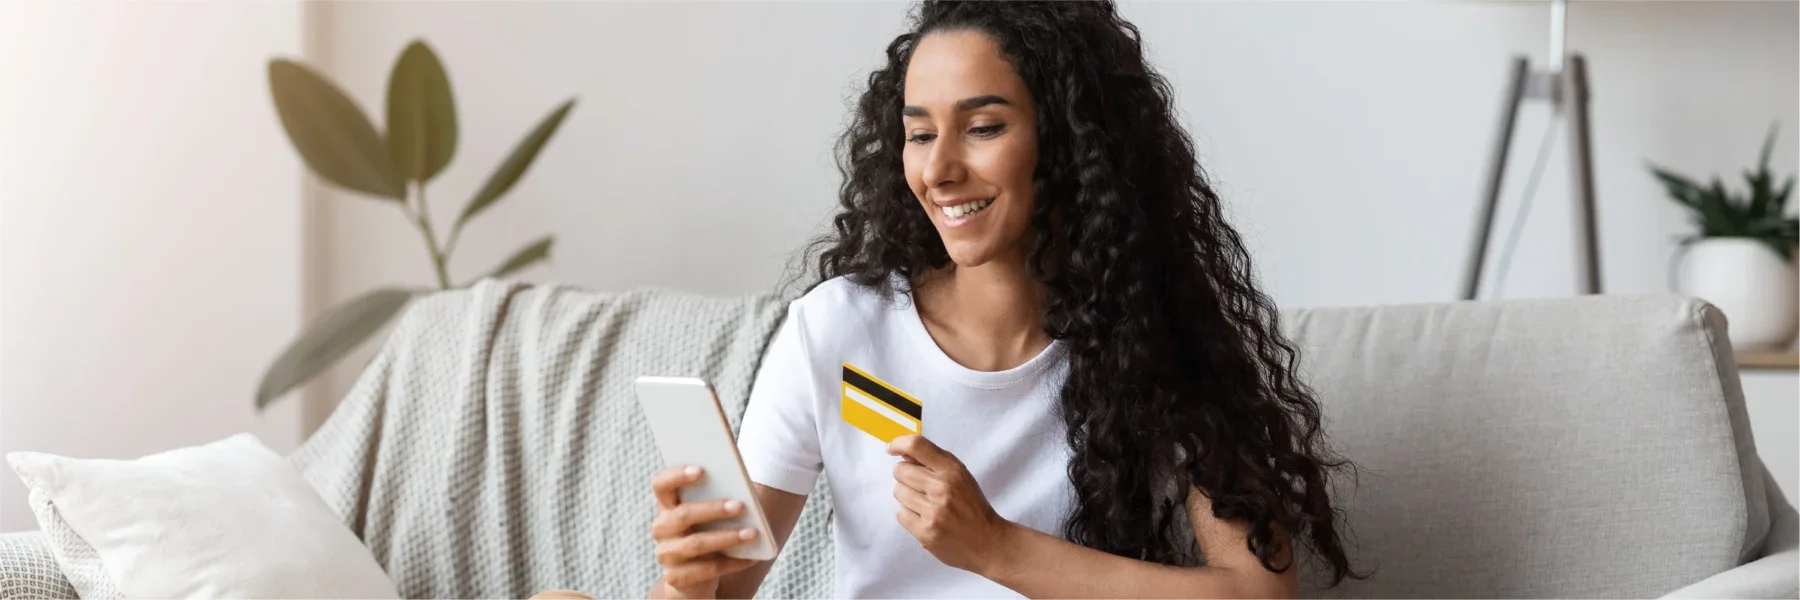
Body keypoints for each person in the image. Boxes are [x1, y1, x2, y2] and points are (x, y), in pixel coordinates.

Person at [625, 1, 1360, 598]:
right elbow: (729, 589)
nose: (939, 170)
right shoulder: (839, 331)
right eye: (918, 134)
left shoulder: (1156, 335)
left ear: (1071, 143)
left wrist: (995, 548)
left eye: (983, 128)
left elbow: (1260, 594)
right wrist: (691, 585)